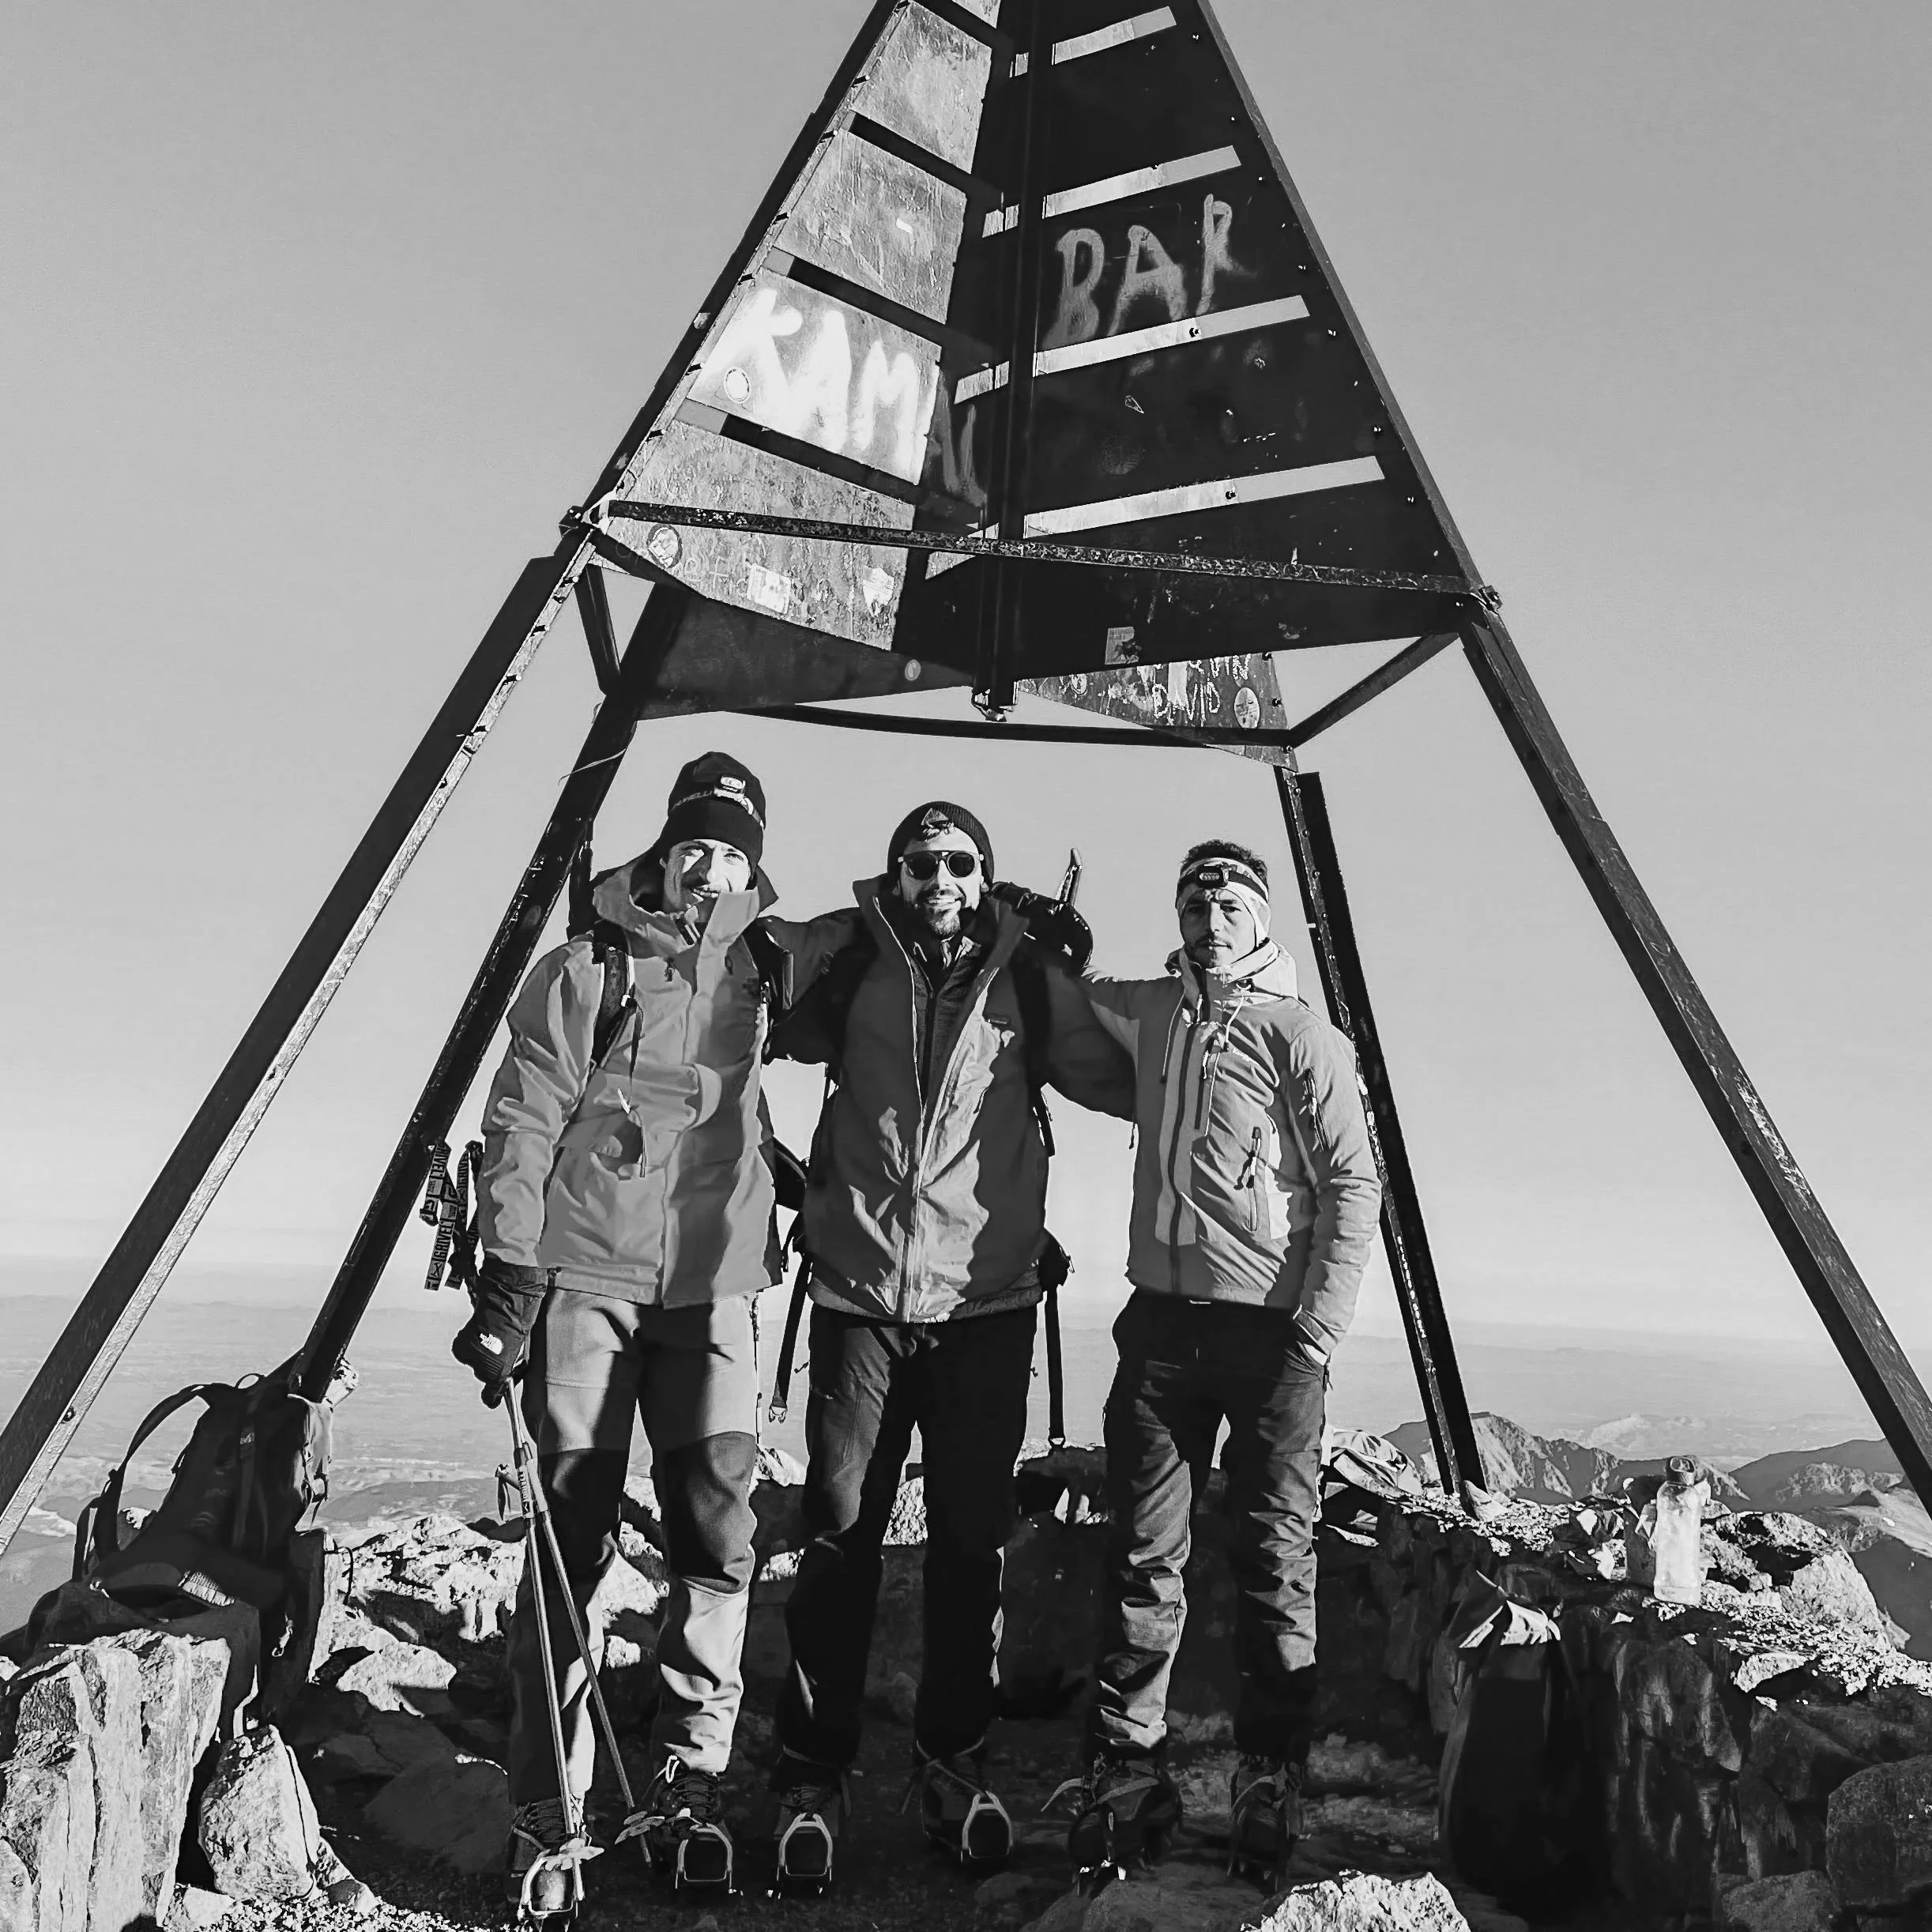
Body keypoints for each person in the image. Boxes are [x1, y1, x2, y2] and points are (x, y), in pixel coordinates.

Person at [762, 802, 1134, 1889]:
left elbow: (1121, 1074)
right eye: (921, 862)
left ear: (988, 876)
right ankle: (809, 1770)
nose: (942, 878)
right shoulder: (856, 961)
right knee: (837, 1536)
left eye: (962, 863)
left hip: (984, 1304)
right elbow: (755, 988)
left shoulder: (1024, 982)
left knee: (971, 1544)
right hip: (860, 1301)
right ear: (896, 874)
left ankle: (952, 1762)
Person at [453, 751, 793, 1915]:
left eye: (733, 848)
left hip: (714, 1292)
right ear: (664, 846)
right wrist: (509, 1270)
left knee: (716, 1534)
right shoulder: (586, 964)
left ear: (753, 864)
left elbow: (904, 946)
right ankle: (549, 1810)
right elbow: (525, 1110)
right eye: (695, 842)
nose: (710, 865)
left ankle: (692, 1780)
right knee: (571, 1538)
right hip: (587, 1282)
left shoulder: (768, 964)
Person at [1058, 841, 1381, 1889]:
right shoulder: (1156, 1011)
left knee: (1274, 1561)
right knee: (1144, 1556)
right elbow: (1077, 998)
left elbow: (1352, 1182)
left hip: (1272, 1337)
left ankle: (1267, 1778)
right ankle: (1128, 1770)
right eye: (1195, 900)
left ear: (1264, 917)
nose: (1211, 918)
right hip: (1161, 1328)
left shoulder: (1299, 1034)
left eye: (1232, 901)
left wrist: (1317, 1333)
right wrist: (1044, 946)